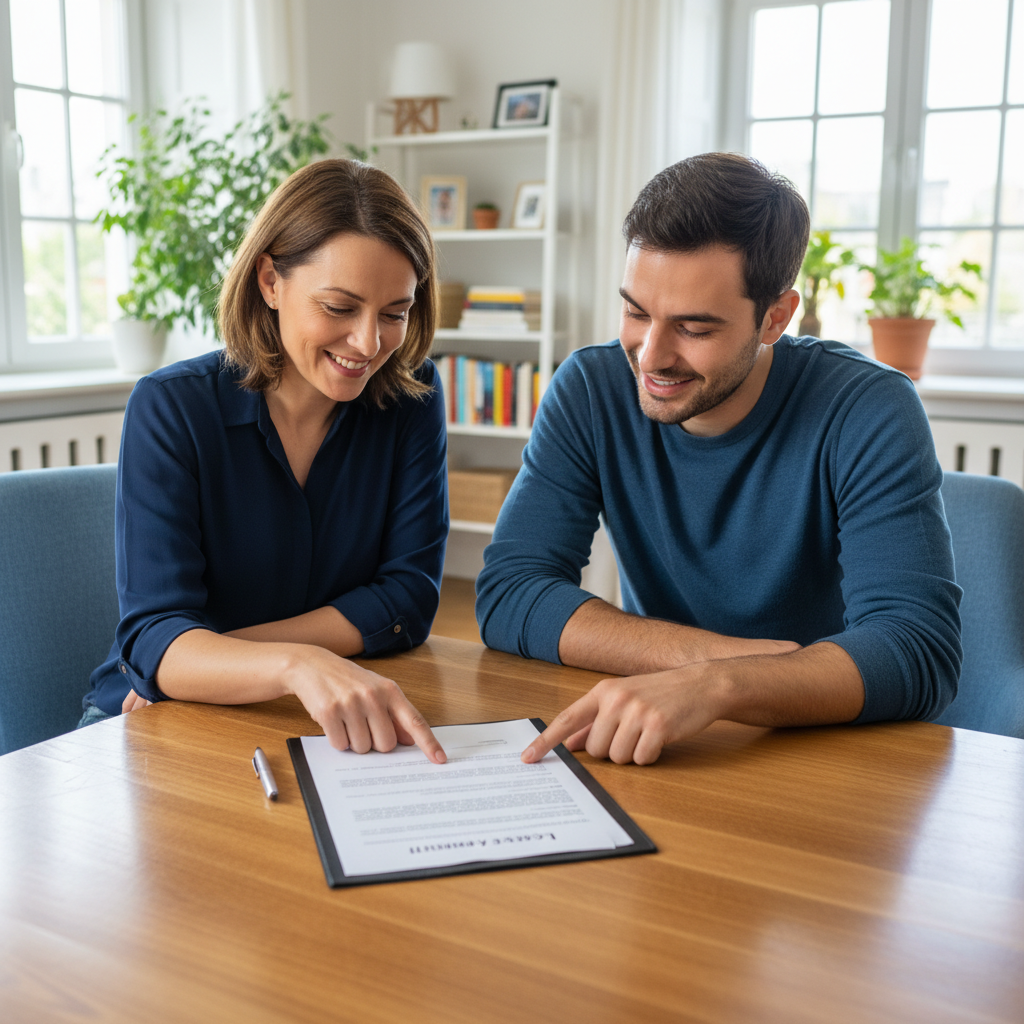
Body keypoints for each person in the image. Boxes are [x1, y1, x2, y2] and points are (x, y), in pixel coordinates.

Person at [476, 153, 962, 767]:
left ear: (775, 318)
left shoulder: (869, 407)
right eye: (635, 311)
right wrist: (707, 662)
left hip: (822, 755)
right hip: (662, 740)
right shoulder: (590, 390)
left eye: (695, 328)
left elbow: (918, 650)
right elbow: (510, 593)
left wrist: (719, 684)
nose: (651, 357)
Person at [81, 159, 449, 764]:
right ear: (271, 281)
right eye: (339, 307)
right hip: (150, 714)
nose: (368, 344)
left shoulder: (412, 396)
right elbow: (153, 639)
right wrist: (293, 662)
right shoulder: (171, 407)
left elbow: (409, 599)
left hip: (300, 708)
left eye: (394, 313)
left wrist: (214, 657)